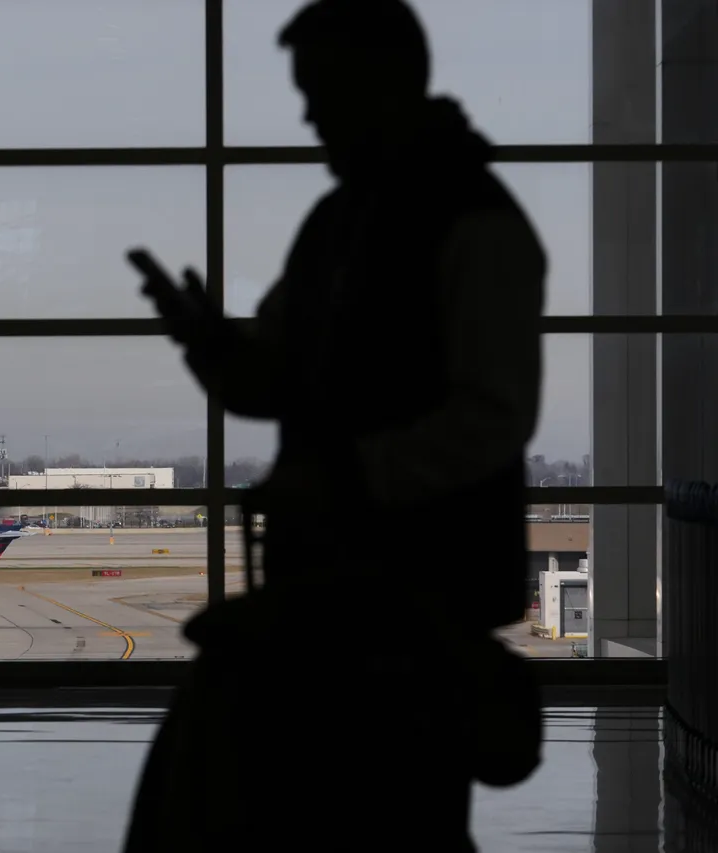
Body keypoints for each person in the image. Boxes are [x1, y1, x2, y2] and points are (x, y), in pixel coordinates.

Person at [122, 1, 546, 850]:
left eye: (322, 92)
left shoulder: (471, 224)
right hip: (345, 594)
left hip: (412, 604)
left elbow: (494, 417)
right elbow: (276, 378)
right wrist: (210, 345)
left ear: (382, 85)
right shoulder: (344, 225)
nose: (310, 116)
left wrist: (344, 478)